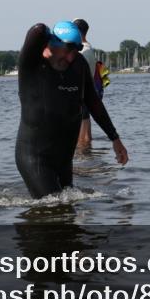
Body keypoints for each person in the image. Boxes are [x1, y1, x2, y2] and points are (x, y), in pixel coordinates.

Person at [16, 21, 128, 198]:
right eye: (67, 50)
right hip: (36, 158)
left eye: (75, 52)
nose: (70, 58)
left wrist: (115, 138)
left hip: (64, 160)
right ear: (51, 43)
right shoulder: (32, 64)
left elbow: (94, 103)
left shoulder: (78, 64)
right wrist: (49, 33)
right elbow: (36, 31)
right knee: (52, 208)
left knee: (68, 212)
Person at [73, 18, 97, 151]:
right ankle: (86, 153)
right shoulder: (88, 48)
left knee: (83, 137)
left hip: (80, 95)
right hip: (85, 94)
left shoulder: (83, 51)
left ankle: (84, 154)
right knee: (86, 133)